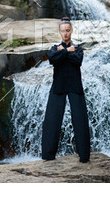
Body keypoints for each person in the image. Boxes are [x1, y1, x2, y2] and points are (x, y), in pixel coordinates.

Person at [42, 17, 91, 163]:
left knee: (80, 120)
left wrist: (63, 52)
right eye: (63, 31)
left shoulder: (78, 48)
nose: (65, 34)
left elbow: (78, 60)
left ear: (72, 31)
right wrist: (67, 51)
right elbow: (52, 59)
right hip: (59, 87)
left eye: (68, 30)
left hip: (75, 87)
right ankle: (48, 155)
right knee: (52, 120)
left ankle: (84, 156)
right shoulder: (54, 48)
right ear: (59, 32)